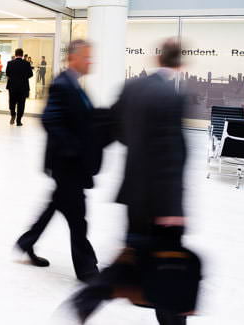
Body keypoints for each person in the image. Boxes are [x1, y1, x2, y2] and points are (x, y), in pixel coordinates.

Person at [70, 38, 192, 325]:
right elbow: (174, 157)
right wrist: (173, 208)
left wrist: (79, 159)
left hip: (133, 193)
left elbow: (112, 130)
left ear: (158, 59)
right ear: (180, 64)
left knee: (134, 256)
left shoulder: (132, 87)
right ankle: (93, 297)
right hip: (160, 201)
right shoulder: (174, 97)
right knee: (168, 270)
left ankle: (90, 298)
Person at [15, 40, 101, 281]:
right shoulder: (63, 84)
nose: (90, 61)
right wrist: (73, 149)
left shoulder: (74, 84)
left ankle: (26, 242)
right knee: (77, 219)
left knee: (57, 206)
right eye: (86, 57)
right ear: (73, 58)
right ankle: (87, 270)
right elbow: (49, 119)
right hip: (67, 165)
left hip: (69, 166)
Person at [5, 48, 34, 126]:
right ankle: (18, 121)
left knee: (12, 102)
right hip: (23, 87)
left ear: (15, 54)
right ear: (22, 54)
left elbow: (7, 74)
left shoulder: (10, 63)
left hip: (12, 87)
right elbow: (31, 74)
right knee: (21, 104)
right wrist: (23, 77)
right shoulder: (27, 63)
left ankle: (13, 114)